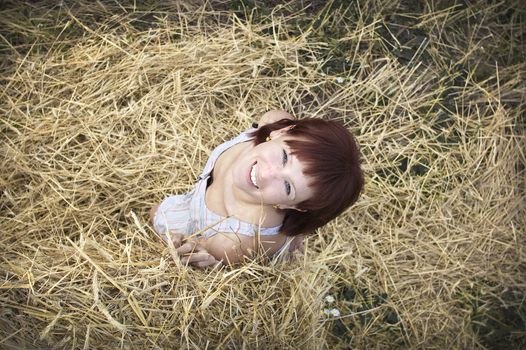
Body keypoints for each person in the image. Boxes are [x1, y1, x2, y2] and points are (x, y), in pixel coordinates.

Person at [150, 110, 363, 267]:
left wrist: (193, 251)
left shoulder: (233, 241)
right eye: (284, 157)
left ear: (294, 206)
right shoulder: (274, 122)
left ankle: (287, 244)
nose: (266, 174)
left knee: (156, 214)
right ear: (282, 131)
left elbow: (193, 253)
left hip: (225, 226)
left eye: (288, 187)